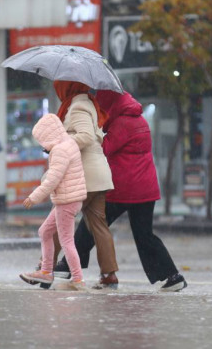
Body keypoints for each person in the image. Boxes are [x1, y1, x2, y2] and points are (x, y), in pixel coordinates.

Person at [54, 91, 187, 292]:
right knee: (144, 235)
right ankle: (172, 276)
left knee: (92, 222)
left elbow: (104, 149)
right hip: (145, 189)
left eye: (102, 107)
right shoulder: (138, 120)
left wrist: (90, 134)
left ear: (110, 105)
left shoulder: (123, 124)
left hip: (125, 188)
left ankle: (66, 267)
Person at [48, 80, 119, 289]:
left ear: (68, 87)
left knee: (59, 220)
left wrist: (61, 145)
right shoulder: (89, 104)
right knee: (99, 225)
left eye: (60, 86)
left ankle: (46, 267)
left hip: (84, 176)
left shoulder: (78, 106)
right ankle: (109, 274)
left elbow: (86, 136)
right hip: (99, 175)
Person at [19, 114, 87, 291]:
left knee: (66, 241)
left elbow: (52, 180)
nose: (42, 145)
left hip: (66, 201)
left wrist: (33, 197)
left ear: (47, 136)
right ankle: (46, 272)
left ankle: (78, 279)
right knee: (44, 232)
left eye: (41, 140)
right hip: (70, 199)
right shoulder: (69, 143)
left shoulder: (59, 150)